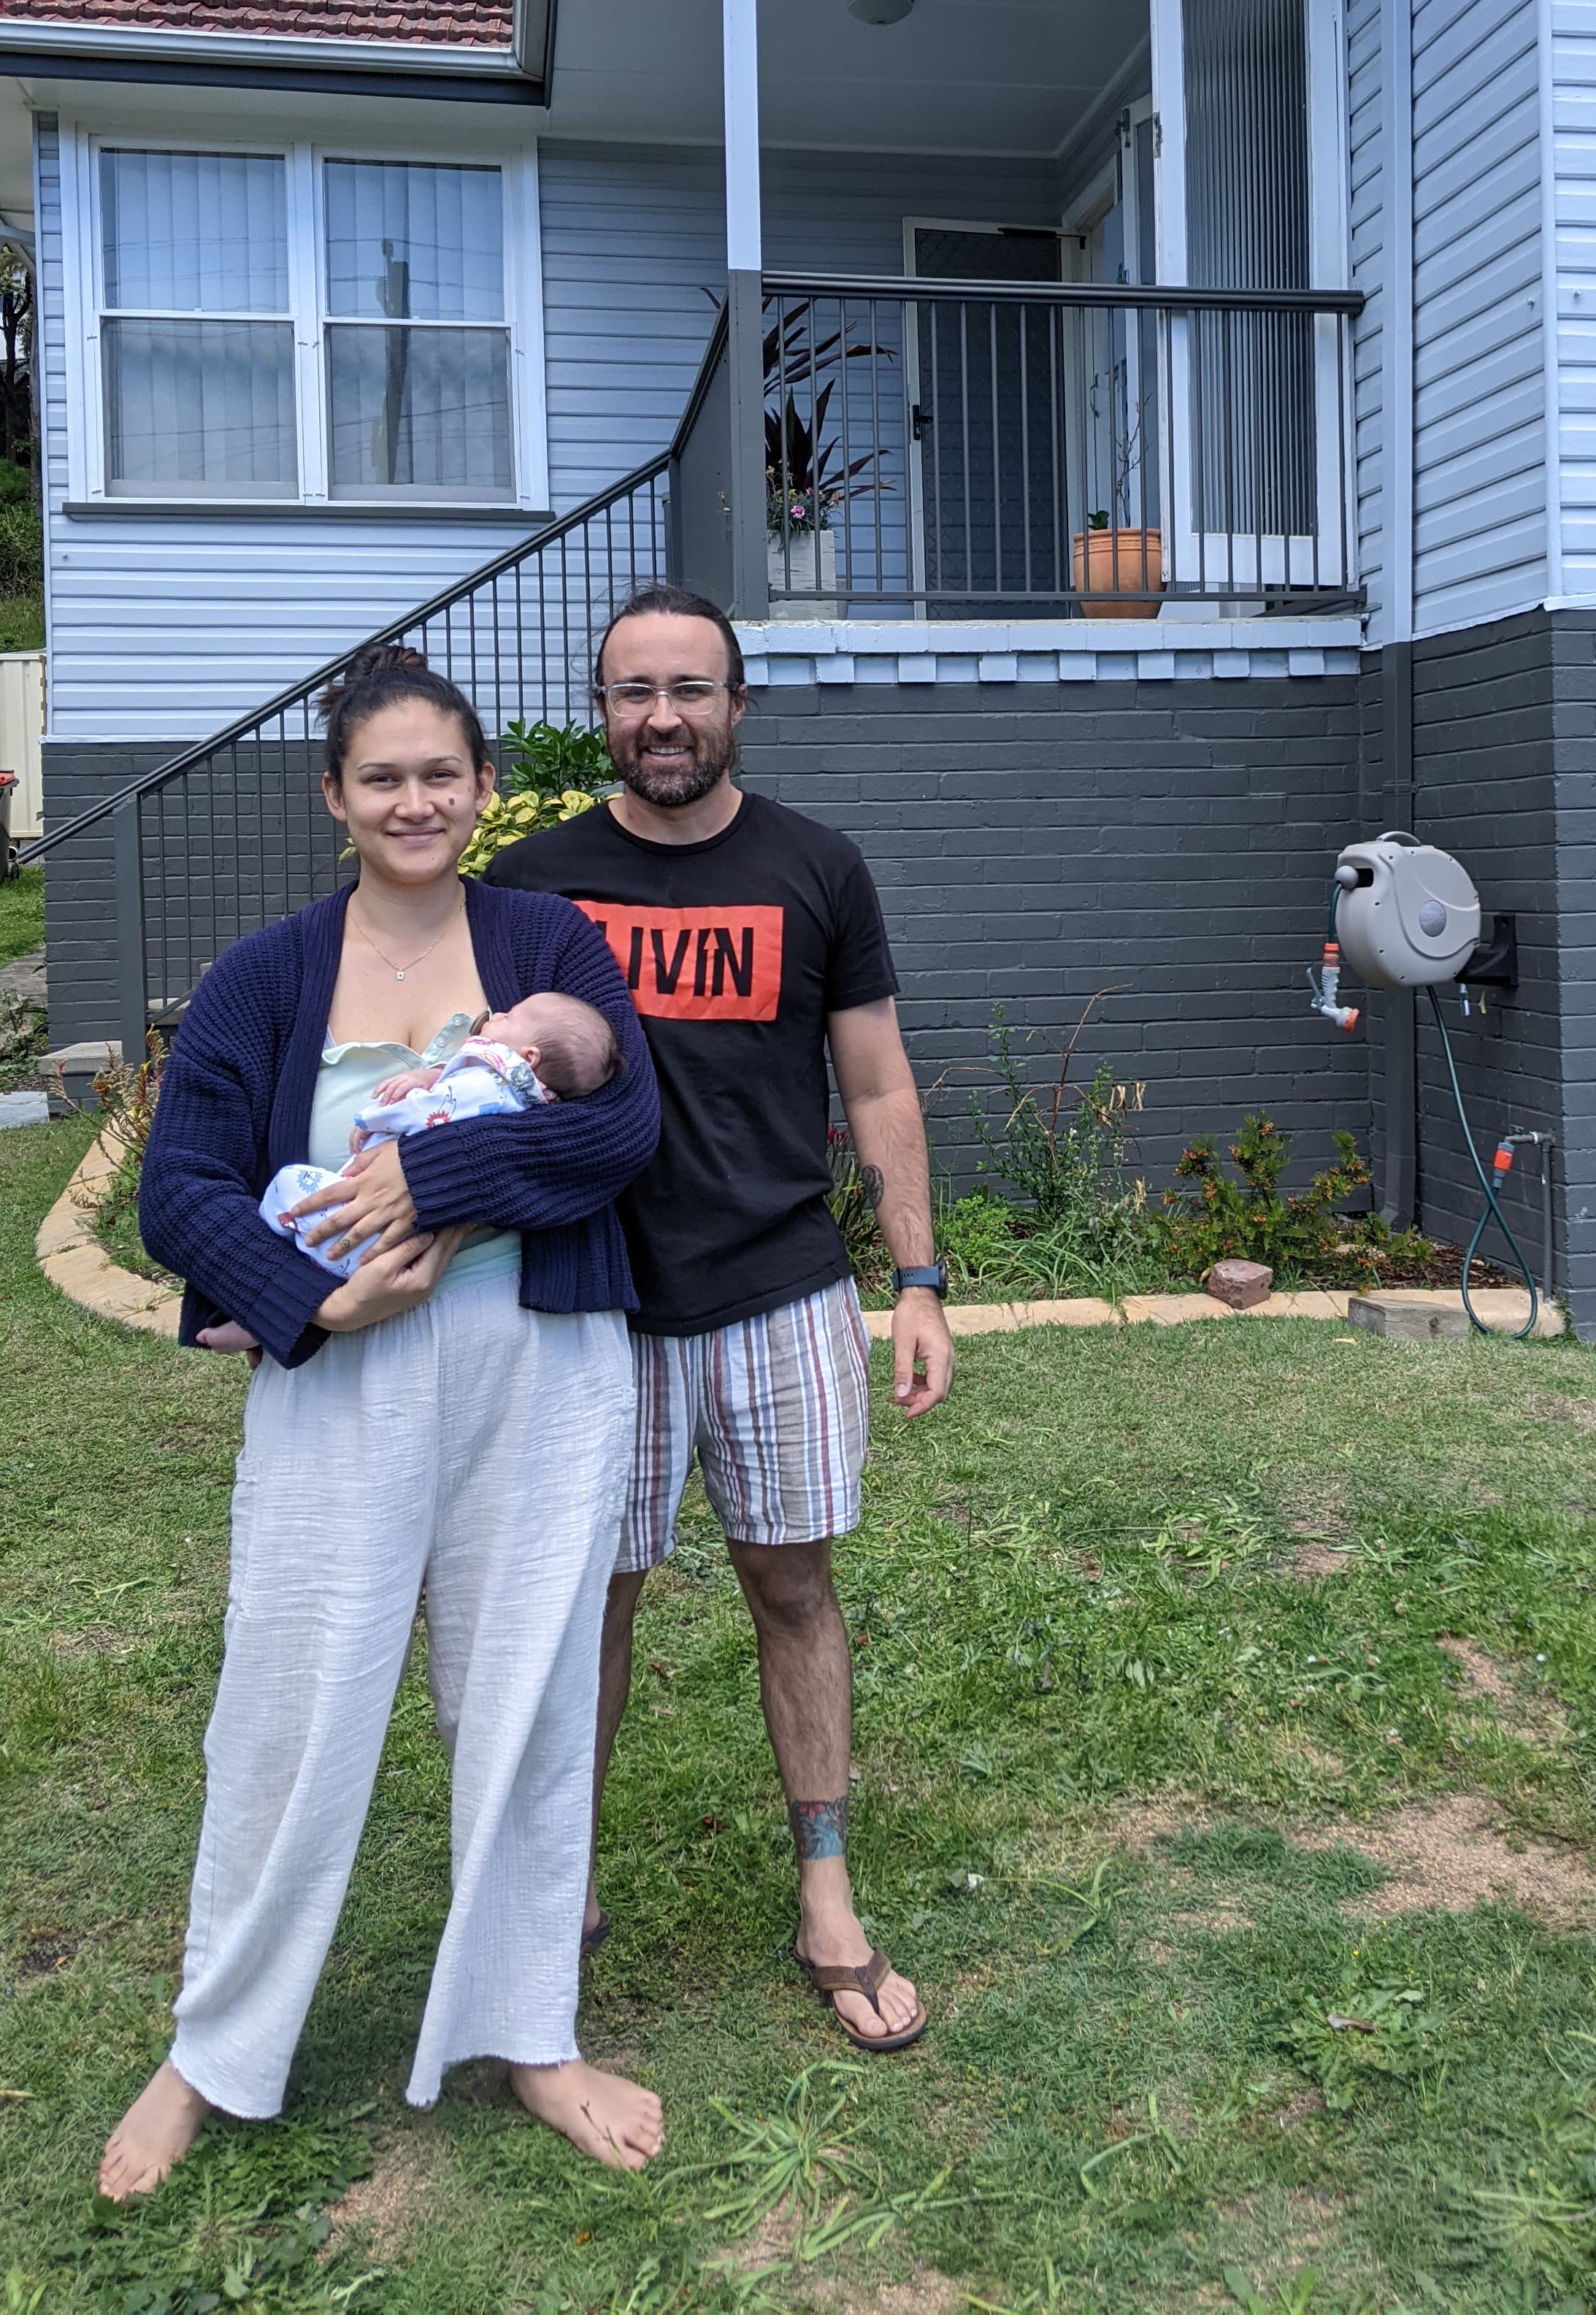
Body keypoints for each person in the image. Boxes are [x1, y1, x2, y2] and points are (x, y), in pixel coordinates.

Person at [98, 644, 667, 2203]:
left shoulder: (546, 939)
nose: (414, 802)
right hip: (339, 1374)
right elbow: (179, 1190)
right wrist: (314, 1301)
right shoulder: (264, 975)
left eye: (440, 775)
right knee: (290, 1700)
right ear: (334, 797)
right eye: (382, 778)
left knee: (530, 1697)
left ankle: (530, 2032)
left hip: (538, 1365)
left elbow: (623, 1124)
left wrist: (432, 1174)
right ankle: (212, 2049)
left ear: (483, 787)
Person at [487, 585, 954, 2054]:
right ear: (601, 710)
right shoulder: (535, 888)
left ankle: (827, 1891)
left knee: (794, 1590)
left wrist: (918, 1279)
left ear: (737, 705)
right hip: (593, 1308)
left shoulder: (818, 868)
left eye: (690, 688)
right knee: (589, 1606)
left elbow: (875, 1084)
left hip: (781, 1294)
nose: (663, 717)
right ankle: (554, 1893)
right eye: (634, 690)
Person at [259, 991, 619, 1278]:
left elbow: (432, 1107)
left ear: (529, 1057)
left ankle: (280, 1254)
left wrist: (371, 1120)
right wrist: (430, 1075)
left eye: (510, 1017)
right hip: (394, 1245)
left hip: (357, 1227)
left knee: (287, 1184)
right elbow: (456, 1090)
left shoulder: (488, 1084)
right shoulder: (516, 1095)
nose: (498, 1015)